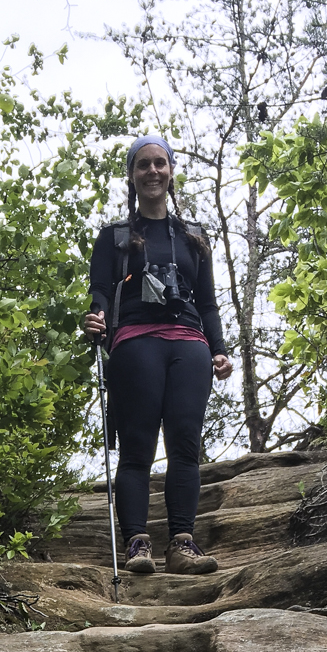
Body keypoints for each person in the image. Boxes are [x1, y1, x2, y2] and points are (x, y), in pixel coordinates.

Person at [84, 135, 233, 575]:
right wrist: (95, 318)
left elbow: (207, 302)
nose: (152, 171)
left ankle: (183, 544)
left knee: (185, 443)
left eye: (159, 164)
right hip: (134, 342)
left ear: (171, 172)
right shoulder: (113, 238)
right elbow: (100, 292)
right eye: (143, 165)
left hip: (189, 344)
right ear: (132, 176)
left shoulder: (194, 237)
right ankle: (137, 543)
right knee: (138, 445)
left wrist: (220, 350)